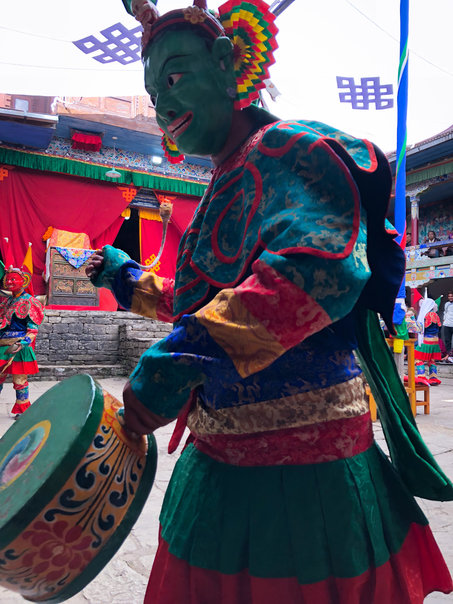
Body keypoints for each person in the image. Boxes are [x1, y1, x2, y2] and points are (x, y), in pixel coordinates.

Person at [87, 0, 453, 601]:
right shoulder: (225, 176)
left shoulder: (289, 149)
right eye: (154, 95)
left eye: (174, 78)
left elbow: (312, 277)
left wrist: (176, 360)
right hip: (218, 463)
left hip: (307, 475)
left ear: (226, 61)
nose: (164, 106)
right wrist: (127, 279)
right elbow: (208, 302)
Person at [0, 257, 44, 417]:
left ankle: (22, 409)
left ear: (23, 281)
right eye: (8, 279)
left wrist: (23, 343)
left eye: (13, 279)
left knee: (19, 380)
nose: (9, 282)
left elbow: (33, 330)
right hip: (2, 345)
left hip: (19, 346)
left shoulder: (30, 302)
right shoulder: (7, 302)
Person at [414, 297, 442, 386]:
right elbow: (439, 328)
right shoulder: (435, 314)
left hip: (426, 340)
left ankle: (421, 377)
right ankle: (433, 378)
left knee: (418, 358)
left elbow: (422, 328)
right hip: (435, 340)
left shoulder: (426, 315)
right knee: (432, 360)